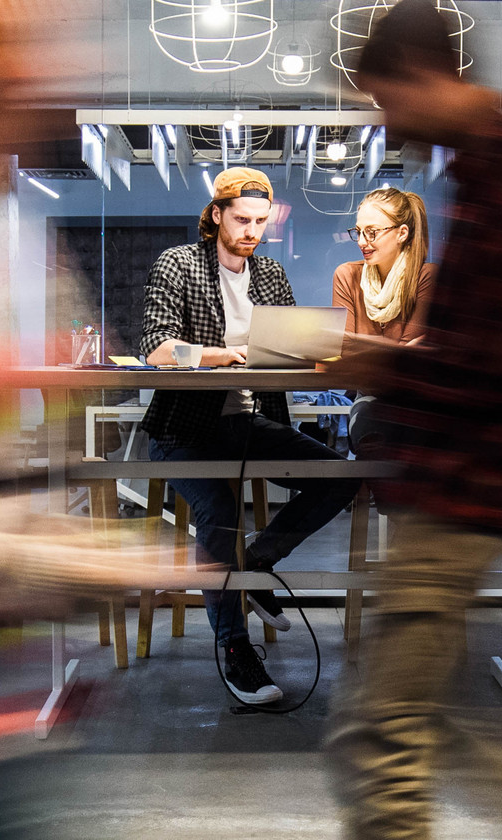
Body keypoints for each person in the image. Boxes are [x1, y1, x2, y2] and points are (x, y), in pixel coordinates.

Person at [324, 3, 502, 837]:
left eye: (385, 99)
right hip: (453, 484)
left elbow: (500, 366)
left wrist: (386, 368)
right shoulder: (489, 175)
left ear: (423, 75)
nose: (386, 120)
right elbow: (487, 353)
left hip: (460, 488)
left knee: (378, 739)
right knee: (402, 725)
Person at [139, 167, 361, 706]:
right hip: (182, 429)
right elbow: (156, 348)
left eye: (261, 221)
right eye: (241, 219)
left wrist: (314, 354)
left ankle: (256, 564)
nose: (252, 231)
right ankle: (235, 650)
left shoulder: (270, 275)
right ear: (216, 215)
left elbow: (282, 351)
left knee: (340, 476)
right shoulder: (179, 264)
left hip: (248, 422)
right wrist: (221, 354)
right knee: (219, 516)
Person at [333, 186, 436, 346]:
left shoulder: (425, 276)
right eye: (359, 232)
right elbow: (342, 349)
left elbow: (405, 359)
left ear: (402, 233)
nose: (361, 241)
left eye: (372, 232)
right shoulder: (347, 275)